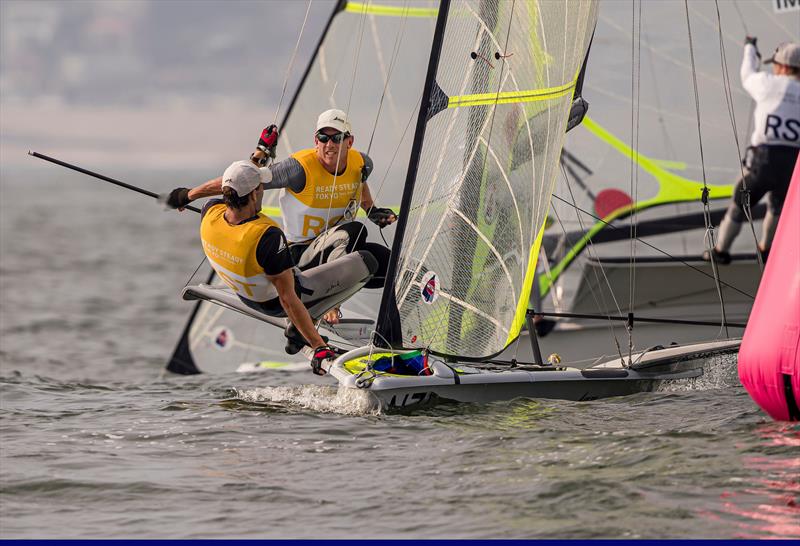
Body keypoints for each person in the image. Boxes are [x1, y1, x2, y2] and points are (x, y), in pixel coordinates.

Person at [167, 109, 396, 323]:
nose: (330, 145)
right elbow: (241, 179)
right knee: (355, 231)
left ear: (350, 141)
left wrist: (372, 209)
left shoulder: (362, 163)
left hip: (338, 250)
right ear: (316, 141)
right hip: (300, 259)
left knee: (393, 267)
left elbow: (359, 180)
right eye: (323, 138)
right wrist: (189, 195)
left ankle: (394, 336)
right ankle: (326, 306)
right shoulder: (298, 169)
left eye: (337, 138)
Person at [195, 159, 378, 375]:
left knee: (362, 244)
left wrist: (189, 195)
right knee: (369, 260)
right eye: (261, 187)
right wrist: (319, 346)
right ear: (254, 194)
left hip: (247, 295)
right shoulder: (265, 237)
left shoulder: (209, 212)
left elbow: (237, 180)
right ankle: (303, 326)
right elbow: (288, 298)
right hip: (276, 301)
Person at [703, 40, 800, 265]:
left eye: (775, 64)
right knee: (777, 206)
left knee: (740, 202)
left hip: (764, 159)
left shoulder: (767, 83)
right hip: (793, 163)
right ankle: (766, 250)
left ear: (783, 67)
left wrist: (749, 49)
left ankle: (720, 251)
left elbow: (747, 74)